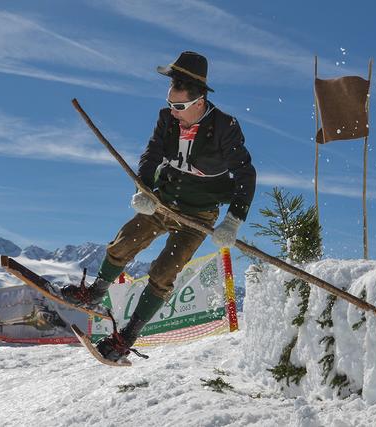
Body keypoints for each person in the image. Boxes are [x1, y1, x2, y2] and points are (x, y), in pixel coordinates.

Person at [62, 51, 256, 362]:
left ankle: (127, 336)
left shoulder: (224, 127)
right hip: (163, 202)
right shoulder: (167, 120)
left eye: (179, 107)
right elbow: (151, 154)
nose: (173, 111)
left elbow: (246, 174)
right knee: (125, 241)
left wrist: (233, 220)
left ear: (200, 103)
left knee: (165, 271)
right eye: (170, 104)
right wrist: (144, 189)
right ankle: (96, 292)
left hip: (198, 215)